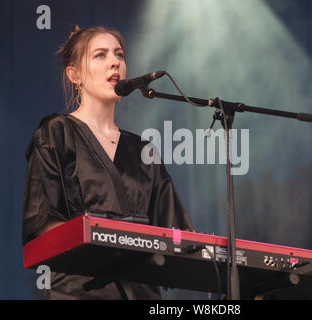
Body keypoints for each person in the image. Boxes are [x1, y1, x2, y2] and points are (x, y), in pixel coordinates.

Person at [22, 25, 194, 300]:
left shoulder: (143, 149)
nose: (115, 61)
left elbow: (176, 237)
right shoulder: (56, 132)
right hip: (79, 292)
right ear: (74, 74)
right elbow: (43, 223)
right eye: (100, 55)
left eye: (120, 55)